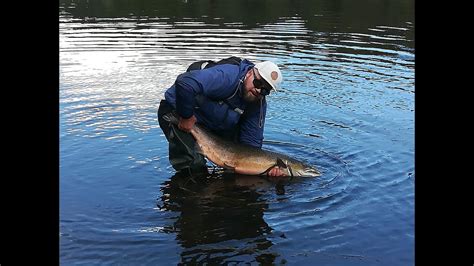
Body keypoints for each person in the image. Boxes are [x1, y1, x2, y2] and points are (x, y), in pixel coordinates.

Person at [157, 56, 285, 176]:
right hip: (177, 112)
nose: (258, 91)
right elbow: (185, 83)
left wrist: (263, 168)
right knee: (194, 166)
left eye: (265, 90)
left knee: (234, 172)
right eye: (257, 83)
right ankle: (188, 194)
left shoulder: (258, 103)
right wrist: (186, 116)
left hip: (211, 125)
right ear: (250, 72)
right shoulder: (227, 77)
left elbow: (251, 145)